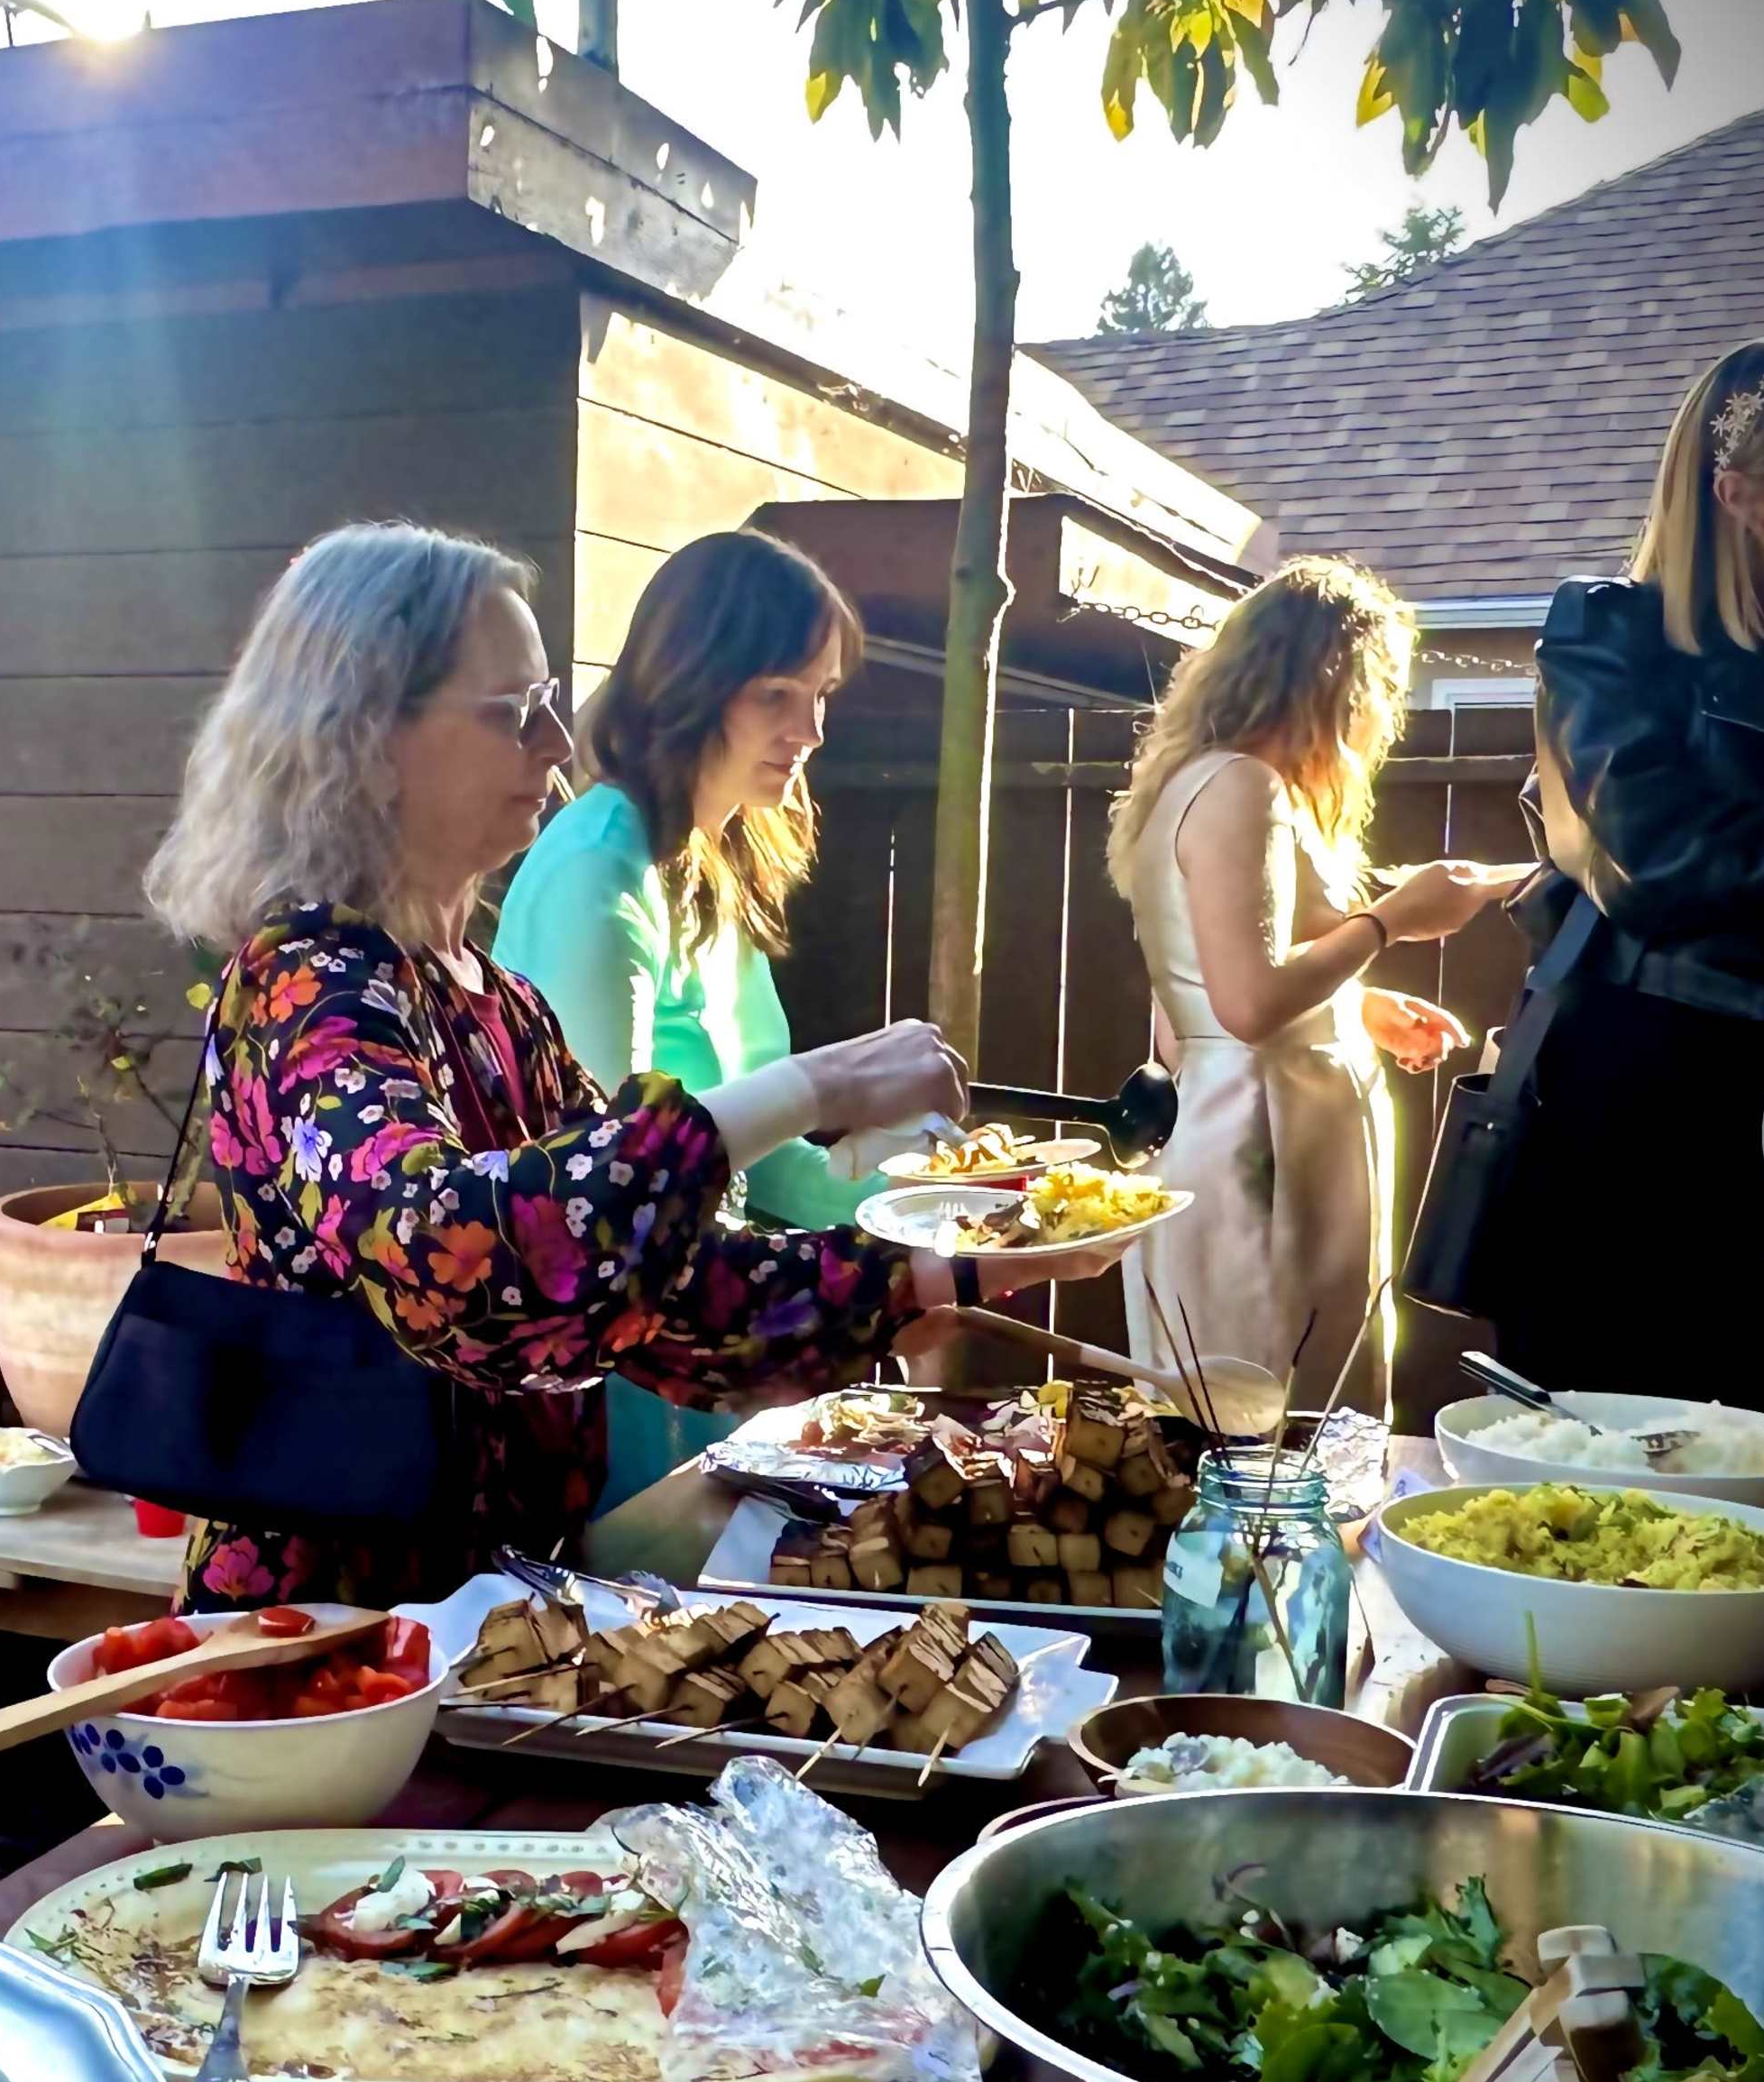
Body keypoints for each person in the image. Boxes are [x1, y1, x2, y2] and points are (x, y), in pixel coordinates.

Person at [140, 520, 1095, 1610]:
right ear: (365, 735)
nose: (556, 741)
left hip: (488, 1616)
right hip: (325, 1644)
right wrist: (815, 1090)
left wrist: (947, 1267)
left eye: (550, 701)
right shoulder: (308, 985)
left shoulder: (498, 1004)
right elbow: (460, 1252)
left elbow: (656, 1279)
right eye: (514, 711)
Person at [1486, 334, 1764, 1429]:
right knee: (1607, 1482)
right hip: (1636, 1129)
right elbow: (1656, 860)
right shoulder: (1613, 636)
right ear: (1742, 494)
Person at [493, 527, 869, 1509]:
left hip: (715, 1353)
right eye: (777, 694)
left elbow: (767, 1156)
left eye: (821, 694)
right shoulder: (598, 869)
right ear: (691, 684)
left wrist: (934, 1217)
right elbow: (603, 1185)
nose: (812, 729)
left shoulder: (708, 862)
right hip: (620, 1386)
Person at [1108, 558, 1524, 1414]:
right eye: (1386, 692)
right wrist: (1392, 922)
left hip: (1258, 1133)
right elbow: (1248, 1005)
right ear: (1340, 683)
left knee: (1261, 1417)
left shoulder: (1210, 784)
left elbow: (1185, 1008)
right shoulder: (1243, 789)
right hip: (1260, 1161)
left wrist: (1355, 1007)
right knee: (1267, 1430)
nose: (1386, 719)